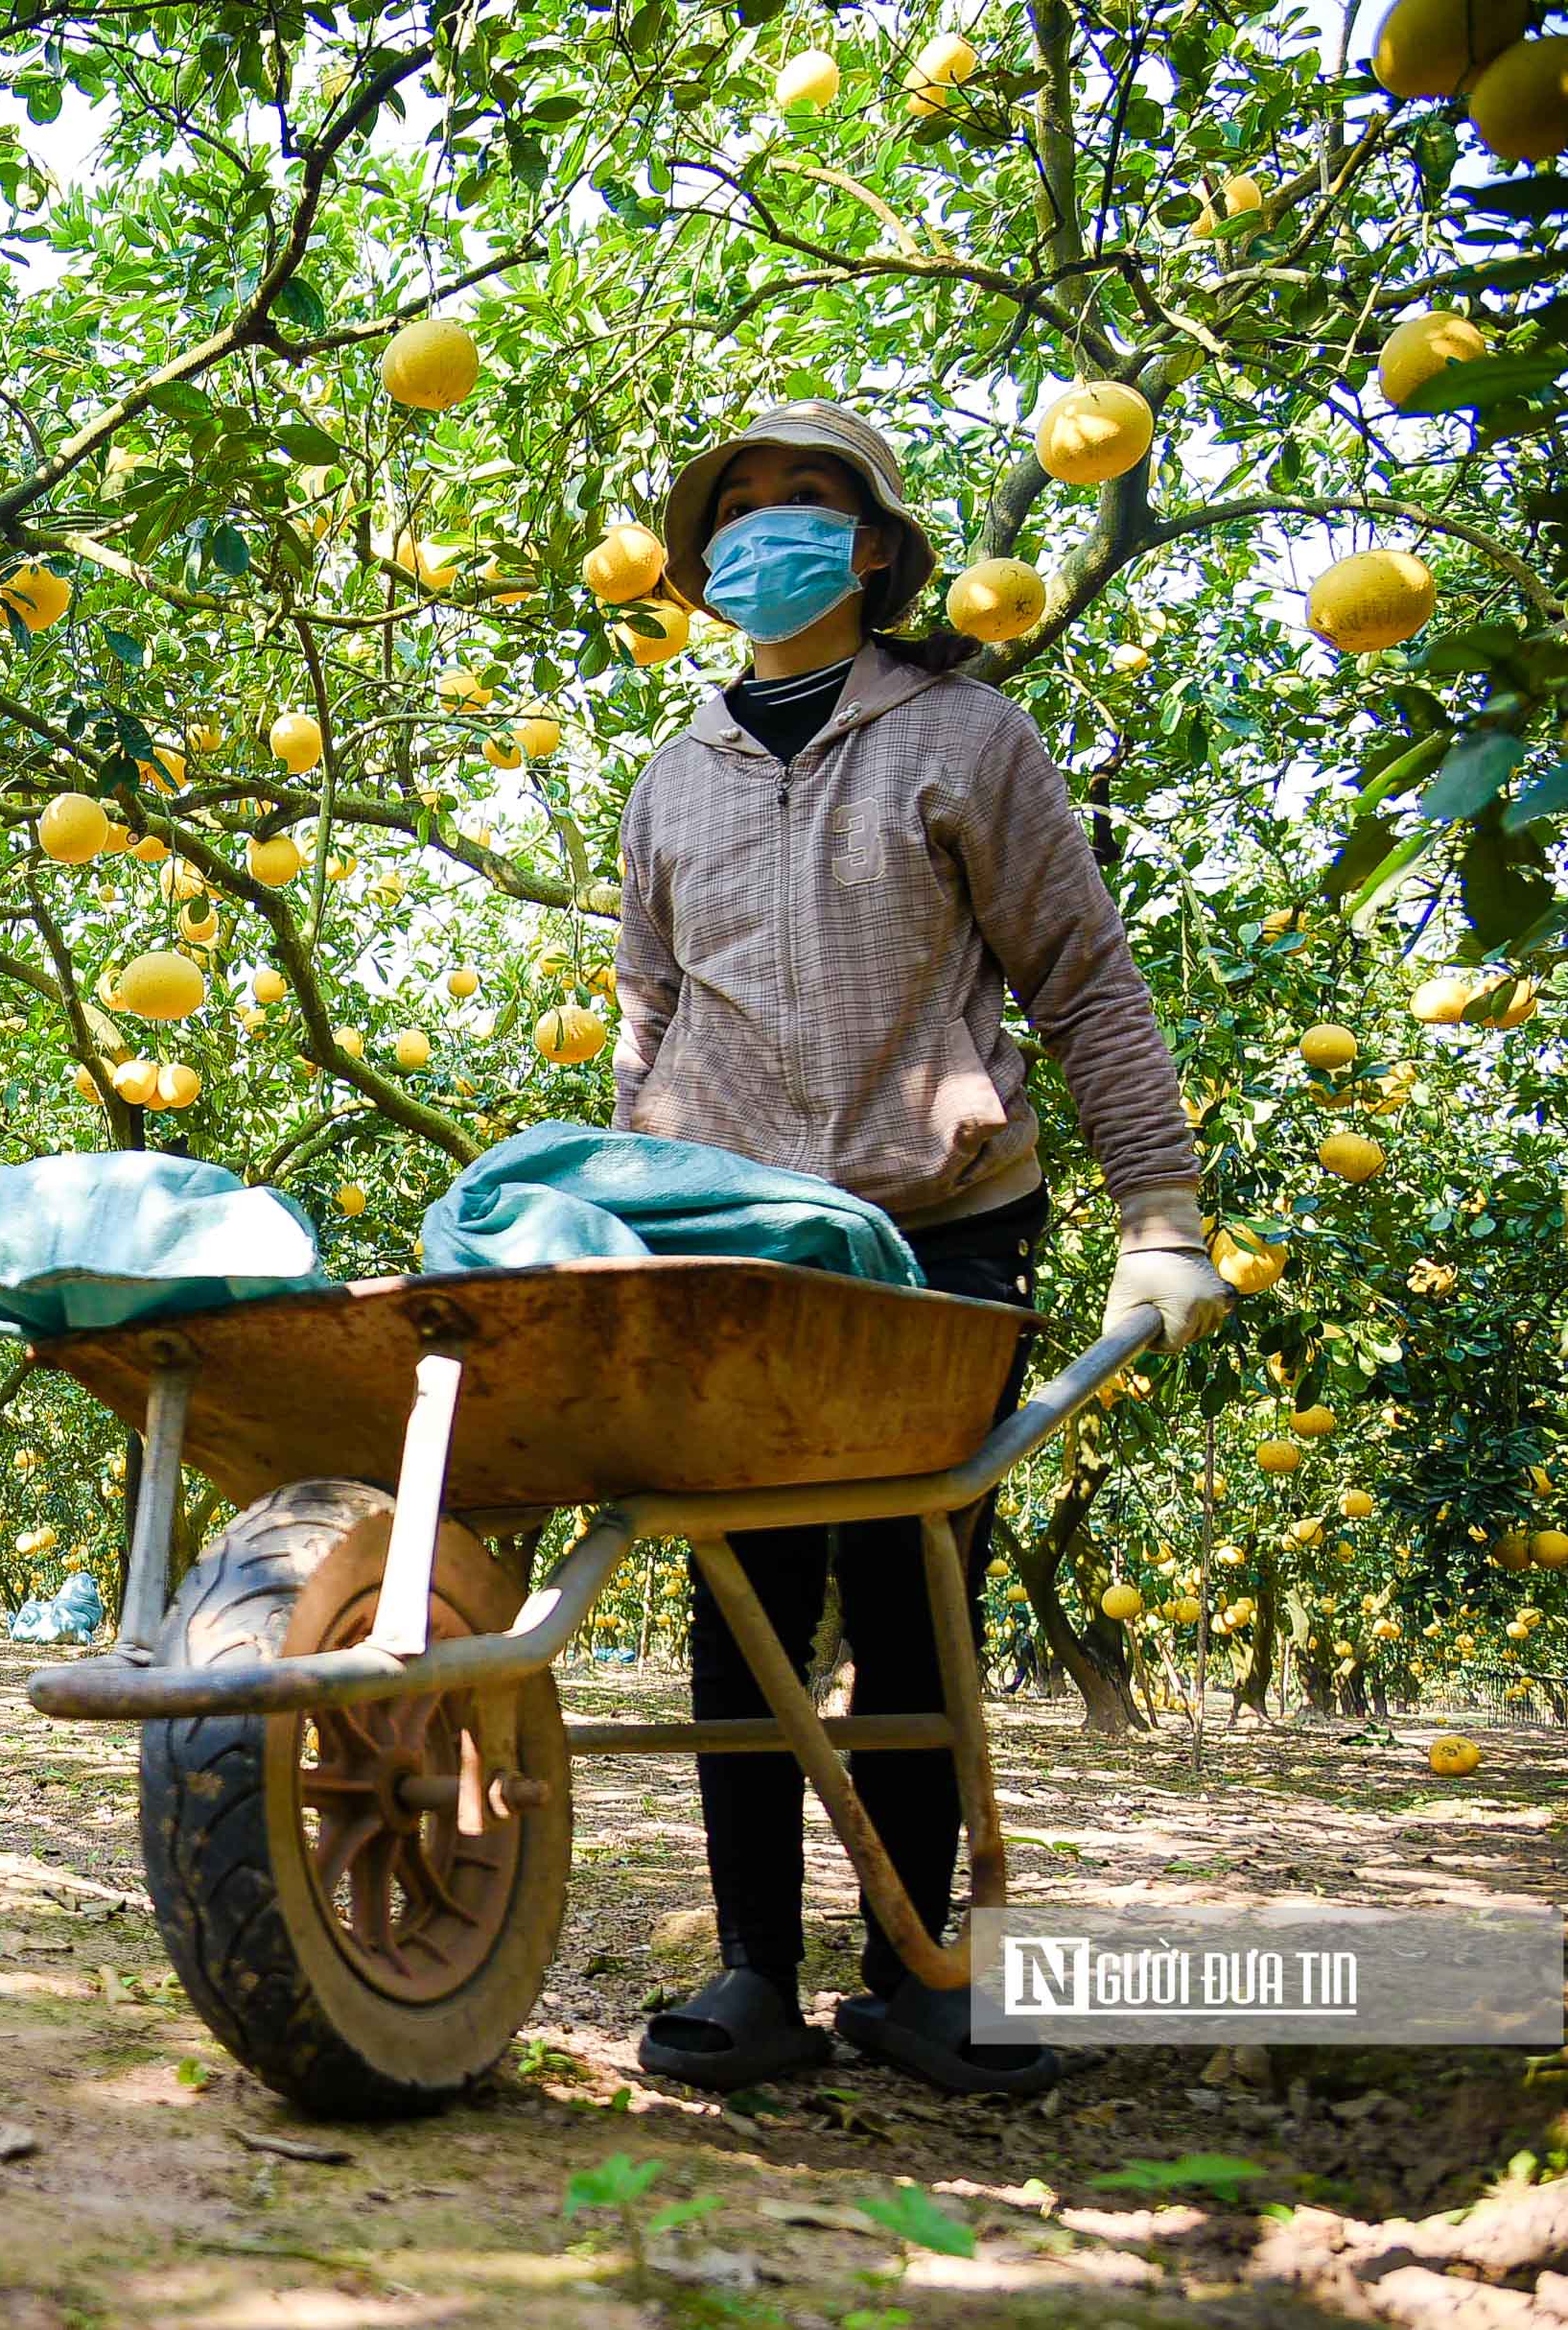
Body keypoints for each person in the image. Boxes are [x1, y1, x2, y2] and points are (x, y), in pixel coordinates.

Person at [610, 402, 1233, 2097]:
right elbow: (648, 1022)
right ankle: (754, 1971)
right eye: (734, 511)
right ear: (699, 563)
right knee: (743, 1592)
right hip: (735, 1243)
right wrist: (623, 1212)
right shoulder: (675, 777)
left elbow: (1084, 980)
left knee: (908, 1583)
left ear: (874, 547)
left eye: (804, 503)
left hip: (942, 1226)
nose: (763, 533)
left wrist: (1159, 1212)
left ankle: (917, 1965)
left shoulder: (967, 735)